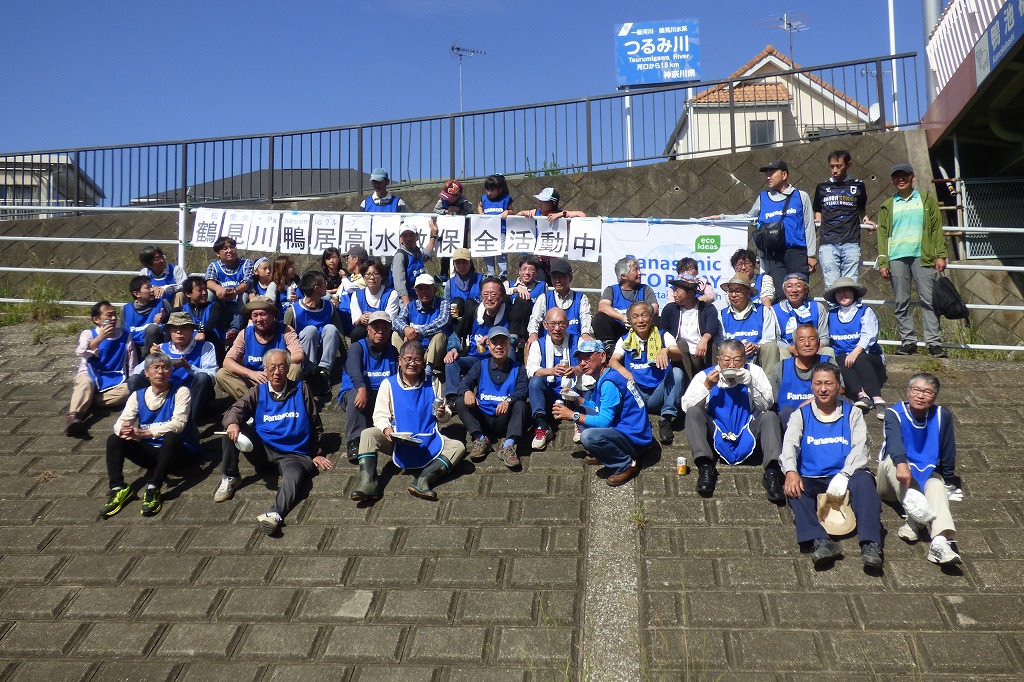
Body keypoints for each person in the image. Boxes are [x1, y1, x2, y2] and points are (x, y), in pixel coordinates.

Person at [216, 348, 332, 535]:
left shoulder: (302, 389)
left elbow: (315, 423)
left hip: (293, 455)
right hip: (264, 451)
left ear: (288, 369)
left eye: (281, 367)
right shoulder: (257, 391)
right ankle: (231, 476)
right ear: (265, 369)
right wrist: (232, 423)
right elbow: (235, 409)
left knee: (293, 478)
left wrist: (317, 453)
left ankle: (275, 514)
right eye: (272, 368)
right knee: (232, 428)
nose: (277, 372)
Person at [781, 363, 884, 569]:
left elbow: (861, 448)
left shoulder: (853, 413)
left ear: (838, 386)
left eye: (828, 383)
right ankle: (820, 541)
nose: (823, 389)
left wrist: (845, 474)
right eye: (818, 383)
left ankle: (871, 543)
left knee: (865, 481)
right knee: (794, 489)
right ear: (811, 386)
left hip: (847, 476)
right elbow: (789, 446)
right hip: (812, 477)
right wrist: (790, 471)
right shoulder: (800, 415)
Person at [355, 341, 467, 502]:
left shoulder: (433, 382)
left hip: (428, 440)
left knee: (458, 447)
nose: (412, 363)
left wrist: (443, 414)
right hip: (399, 440)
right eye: (408, 359)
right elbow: (379, 416)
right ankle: (369, 484)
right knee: (368, 434)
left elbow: (444, 415)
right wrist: (386, 429)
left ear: (423, 361)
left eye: (417, 359)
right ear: (400, 360)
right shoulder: (388, 384)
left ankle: (423, 480)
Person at [680, 339, 785, 503]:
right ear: (718, 360)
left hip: (748, 429)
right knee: (694, 412)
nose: (732, 365)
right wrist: (707, 385)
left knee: (770, 417)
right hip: (717, 431)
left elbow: (767, 405)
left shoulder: (754, 372)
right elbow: (686, 407)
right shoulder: (705, 375)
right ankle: (705, 467)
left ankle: (772, 474)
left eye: (737, 360)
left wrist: (751, 383)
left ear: (744, 359)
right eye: (727, 360)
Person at [877, 372, 962, 566]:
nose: (920, 395)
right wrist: (901, 464)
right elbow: (894, 446)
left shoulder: (942, 416)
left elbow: (948, 451)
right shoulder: (893, 414)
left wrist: (948, 482)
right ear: (908, 392)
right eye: (916, 390)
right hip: (890, 479)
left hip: (924, 475)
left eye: (927, 392)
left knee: (937, 484)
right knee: (896, 462)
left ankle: (939, 543)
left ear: (935, 397)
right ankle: (914, 516)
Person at [101, 352, 197, 518]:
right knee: (114, 440)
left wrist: (146, 433)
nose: (161, 371)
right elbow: (120, 422)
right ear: (146, 373)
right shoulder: (137, 395)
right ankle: (118, 488)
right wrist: (125, 429)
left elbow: (178, 424)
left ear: (170, 371)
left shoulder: (181, 392)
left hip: (179, 453)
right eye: (156, 367)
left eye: (165, 368)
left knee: (172, 436)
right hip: (153, 454)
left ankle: (154, 488)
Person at [552, 339, 653, 487]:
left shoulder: (609, 383)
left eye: (588, 357)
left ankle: (627, 464)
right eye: (580, 359)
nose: (582, 363)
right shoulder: (605, 376)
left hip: (636, 439)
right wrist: (576, 398)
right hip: (626, 429)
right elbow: (595, 407)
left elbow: (604, 421)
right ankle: (607, 453)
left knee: (588, 436)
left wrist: (572, 415)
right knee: (582, 410)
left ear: (603, 356)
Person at [709, 161, 816, 294]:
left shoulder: (801, 196)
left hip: (796, 252)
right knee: (779, 293)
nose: (768, 177)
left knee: (798, 291)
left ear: (784, 175)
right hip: (772, 255)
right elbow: (748, 217)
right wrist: (721, 218)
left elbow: (809, 225)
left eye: (772, 174)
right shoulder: (763, 197)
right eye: (767, 174)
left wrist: (811, 255)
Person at [877, 162, 948, 357]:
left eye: (905, 175)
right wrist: (883, 262)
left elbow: (936, 228)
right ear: (892, 180)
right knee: (901, 301)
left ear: (912, 177)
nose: (901, 179)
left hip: (923, 255)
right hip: (896, 257)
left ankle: (934, 343)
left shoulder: (926, 200)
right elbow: (882, 236)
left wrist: (941, 254)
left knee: (929, 300)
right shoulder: (887, 205)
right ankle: (908, 342)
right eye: (896, 176)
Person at [610, 301, 684, 445]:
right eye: (635, 317)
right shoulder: (624, 340)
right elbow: (613, 361)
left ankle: (666, 419)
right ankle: (636, 418)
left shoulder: (663, 335)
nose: (640, 320)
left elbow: (678, 354)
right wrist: (622, 369)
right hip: (636, 393)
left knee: (677, 373)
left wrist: (666, 351)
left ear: (651, 317)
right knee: (614, 375)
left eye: (644, 315)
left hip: (658, 394)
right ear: (630, 320)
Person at [129, 312, 217, 432]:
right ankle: (150, 419)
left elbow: (211, 376)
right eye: (174, 329)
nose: (179, 332)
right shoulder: (161, 348)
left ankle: (190, 423)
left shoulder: (206, 347)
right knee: (134, 380)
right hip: (167, 396)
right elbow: (136, 372)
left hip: (193, 396)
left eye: (184, 328)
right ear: (169, 331)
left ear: (192, 330)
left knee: (203, 377)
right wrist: (151, 358)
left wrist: (188, 367)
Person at [457, 327, 529, 467]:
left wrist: (508, 401)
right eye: (495, 343)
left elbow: (523, 391)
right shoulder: (480, 366)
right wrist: (467, 392)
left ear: (509, 345)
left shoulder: (519, 368)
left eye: (503, 342)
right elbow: (462, 384)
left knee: (521, 405)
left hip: (504, 419)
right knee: (460, 401)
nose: (499, 346)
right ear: (488, 345)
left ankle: (508, 446)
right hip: (483, 418)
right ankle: (480, 439)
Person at [443, 277, 518, 410]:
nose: (489, 298)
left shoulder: (511, 312)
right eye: (485, 294)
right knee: (451, 361)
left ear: (502, 297)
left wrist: (493, 340)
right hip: (475, 359)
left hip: (498, 361)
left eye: (493, 294)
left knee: (510, 351)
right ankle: (453, 399)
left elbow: (514, 339)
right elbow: (456, 334)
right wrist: (452, 348)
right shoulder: (474, 311)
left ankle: (509, 393)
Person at [65, 301, 136, 437]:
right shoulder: (89, 334)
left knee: (128, 390)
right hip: (90, 372)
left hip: (114, 377)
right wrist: (100, 338)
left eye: (114, 315)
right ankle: (74, 417)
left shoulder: (125, 335)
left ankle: (91, 401)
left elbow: (132, 362)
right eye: (109, 315)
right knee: (86, 382)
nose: (113, 318)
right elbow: (81, 352)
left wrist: (132, 379)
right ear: (97, 319)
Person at [216, 296, 304, 401]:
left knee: (295, 368)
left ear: (273, 315)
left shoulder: (285, 330)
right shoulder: (245, 333)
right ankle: (257, 402)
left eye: (263, 314)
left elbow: (299, 355)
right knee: (222, 374)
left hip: (279, 378)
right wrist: (250, 373)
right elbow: (227, 362)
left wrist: (273, 368)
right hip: (255, 381)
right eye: (255, 315)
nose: (259, 319)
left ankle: (284, 401)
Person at [339, 311, 399, 460]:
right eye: (376, 327)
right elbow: (354, 371)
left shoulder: (392, 351)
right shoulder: (357, 347)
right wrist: (362, 388)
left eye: (385, 328)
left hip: (381, 396)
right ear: (368, 329)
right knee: (356, 394)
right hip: (358, 392)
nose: (380, 331)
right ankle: (354, 441)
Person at [824, 277, 887, 419]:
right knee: (840, 358)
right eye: (838, 292)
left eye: (846, 291)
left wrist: (855, 352)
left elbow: (869, 336)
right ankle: (862, 396)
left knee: (859, 358)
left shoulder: (865, 311)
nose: (842, 295)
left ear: (854, 293)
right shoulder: (831, 314)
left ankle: (878, 399)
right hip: (844, 360)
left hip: (868, 357)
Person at [813, 150, 873, 289]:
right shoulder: (822, 187)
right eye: (832, 166)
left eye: (839, 166)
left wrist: (866, 220)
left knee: (851, 285)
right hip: (828, 243)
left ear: (848, 165)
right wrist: (817, 220)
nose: (835, 170)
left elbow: (861, 208)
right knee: (831, 286)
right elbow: (818, 209)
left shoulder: (858, 185)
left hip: (851, 242)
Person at [527, 307, 581, 450]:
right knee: (534, 381)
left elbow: (591, 363)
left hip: (572, 392)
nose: (557, 328)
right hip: (549, 392)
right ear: (545, 325)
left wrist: (577, 369)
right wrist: (551, 371)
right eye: (553, 324)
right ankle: (542, 426)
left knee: (587, 380)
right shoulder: (538, 344)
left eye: (561, 324)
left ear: (567, 324)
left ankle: (581, 422)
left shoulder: (578, 341)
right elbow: (531, 369)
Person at [769, 323, 840, 429]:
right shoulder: (781, 368)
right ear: (794, 345)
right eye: (801, 340)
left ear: (818, 343)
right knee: (786, 411)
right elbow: (772, 402)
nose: (807, 344)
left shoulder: (828, 362)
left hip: (822, 420)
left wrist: (809, 402)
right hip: (789, 425)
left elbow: (840, 391)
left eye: (811, 339)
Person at [660, 273, 722, 391]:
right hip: (682, 356)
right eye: (674, 290)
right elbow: (664, 332)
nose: (674, 294)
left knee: (712, 345)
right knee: (680, 344)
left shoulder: (707, 308)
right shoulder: (670, 309)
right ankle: (687, 390)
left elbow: (712, 326)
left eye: (678, 291)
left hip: (702, 354)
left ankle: (715, 388)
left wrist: (704, 340)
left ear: (690, 293)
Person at [282, 271, 344, 389]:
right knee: (310, 330)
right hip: (304, 355)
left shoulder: (329, 306)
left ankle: (324, 372)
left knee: (331, 328)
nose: (326, 285)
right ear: (317, 288)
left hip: (325, 352)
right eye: (324, 283)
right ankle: (310, 373)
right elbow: (284, 337)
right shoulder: (293, 310)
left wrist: (346, 358)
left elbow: (340, 333)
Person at [525, 258, 593, 351]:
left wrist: (585, 333)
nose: (557, 280)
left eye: (561, 277)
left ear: (570, 277)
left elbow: (586, 317)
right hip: (549, 343)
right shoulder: (544, 298)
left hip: (574, 344)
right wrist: (533, 334)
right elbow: (535, 319)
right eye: (554, 277)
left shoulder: (581, 298)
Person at [393, 273, 451, 381]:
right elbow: (396, 321)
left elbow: (443, 321)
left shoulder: (443, 303)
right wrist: (405, 329)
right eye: (420, 288)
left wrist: (415, 333)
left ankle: (428, 370)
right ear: (416, 291)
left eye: (427, 288)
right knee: (396, 335)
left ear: (434, 289)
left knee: (440, 335)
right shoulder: (410, 306)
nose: (424, 291)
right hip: (412, 351)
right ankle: (403, 366)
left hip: (431, 352)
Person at [593, 256, 659, 350]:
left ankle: (650, 348)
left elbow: (654, 309)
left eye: (639, 270)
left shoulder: (645, 289)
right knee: (600, 318)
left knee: (657, 320)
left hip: (640, 329)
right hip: (618, 328)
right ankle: (609, 349)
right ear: (623, 276)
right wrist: (622, 318)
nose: (640, 273)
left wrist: (636, 318)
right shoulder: (611, 290)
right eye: (635, 270)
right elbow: (603, 307)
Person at [719, 274, 780, 372]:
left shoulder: (763, 311)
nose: (733, 295)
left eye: (738, 291)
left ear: (748, 293)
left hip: (758, 358)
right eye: (730, 291)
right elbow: (721, 342)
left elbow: (770, 339)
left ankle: (769, 381)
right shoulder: (722, 315)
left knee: (771, 347)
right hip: (732, 362)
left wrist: (756, 347)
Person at [204, 236, 253, 341]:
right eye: (225, 249)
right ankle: (207, 327)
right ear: (218, 253)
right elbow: (208, 281)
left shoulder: (246, 263)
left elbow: (248, 281)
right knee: (209, 293)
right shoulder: (214, 266)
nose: (229, 251)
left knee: (244, 294)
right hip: (221, 301)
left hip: (239, 301)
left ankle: (234, 330)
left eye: (232, 247)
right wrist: (219, 289)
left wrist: (235, 292)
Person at [772, 273, 829, 358]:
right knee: (782, 352)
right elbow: (775, 339)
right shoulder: (775, 310)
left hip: (813, 349)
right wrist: (789, 348)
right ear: (784, 290)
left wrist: (815, 350)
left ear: (806, 289)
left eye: (798, 286)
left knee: (828, 351)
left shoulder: (817, 307)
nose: (794, 290)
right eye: (789, 286)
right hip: (789, 349)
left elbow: (824, 337)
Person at [349, 259, 401, 342]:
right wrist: (361, 318)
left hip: (384, 329)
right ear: (363, 277)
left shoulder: (391, 294)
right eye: (368, 274)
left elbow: (390, 319)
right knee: (357, 332)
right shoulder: (356, 295)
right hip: (365, 328)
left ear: (382, 277)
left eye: (376, 274)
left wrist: (373, 317)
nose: (372, 277)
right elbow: (355, 321)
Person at [122, 275, 171, 360]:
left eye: (151, 286)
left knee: (152, 329)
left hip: (157, 348)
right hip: (136, 350)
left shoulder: (162, 303)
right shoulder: (126, 310)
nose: (152, 290)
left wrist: (165, 317)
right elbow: (123, 333)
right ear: (137, 294)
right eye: (148, 287)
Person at [179, 276, 227, 361]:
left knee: (210, 335)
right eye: (200, 290)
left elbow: (213, 320)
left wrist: (202, 331)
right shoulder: (182, 309)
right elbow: (168, 317)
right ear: (188, 294)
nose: (204, 293)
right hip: (189, 349)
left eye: (205, 289)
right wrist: (162, 317)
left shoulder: (214, 307)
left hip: (213, 348)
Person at [434, 179, 473, 280]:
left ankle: (468, 274)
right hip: (446, 233)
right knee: (445, 253)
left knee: (463, 253)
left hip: (461, 233)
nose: (448, 199)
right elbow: (436, 210)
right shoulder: (442, 200)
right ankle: (443, 274)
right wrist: (446, 211)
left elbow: (471, 213)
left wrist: (460, 211)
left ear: (458, 196)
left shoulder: (464, 202)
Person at [478, 174, 513, 279]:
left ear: (500, 189)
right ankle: (490, 274)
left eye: (492, 190)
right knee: (488, 252)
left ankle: (503, 274)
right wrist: (481, 214)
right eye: (487, 189)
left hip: (501, 231)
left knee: (501, 253)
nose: (489, 192)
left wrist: (507, 212)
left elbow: (512, 211)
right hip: (487, 231)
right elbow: (479, 206)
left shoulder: (506, 199)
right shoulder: (484, 198)